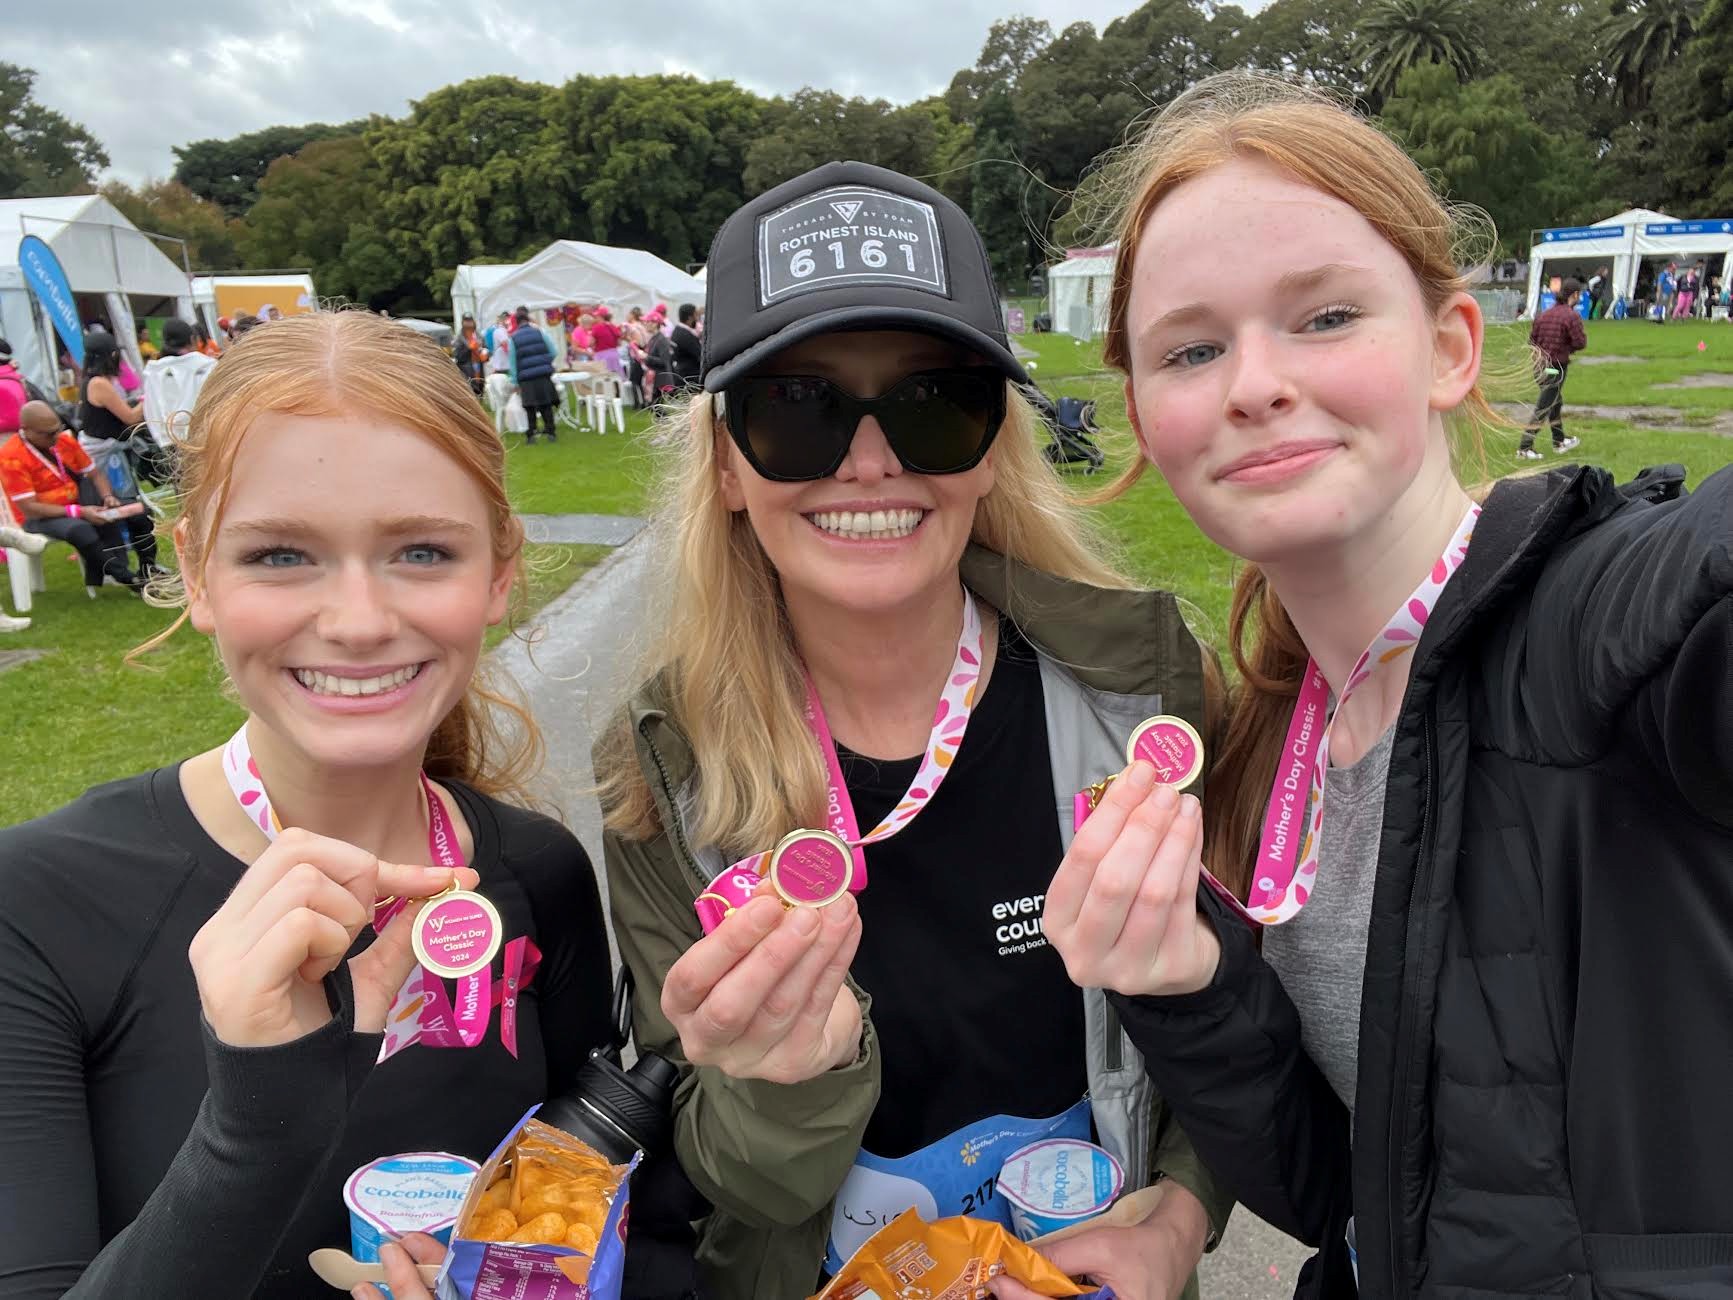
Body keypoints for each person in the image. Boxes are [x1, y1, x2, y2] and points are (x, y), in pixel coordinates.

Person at [1026, 73, 1733, 1300]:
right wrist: (1183, 987)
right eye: (1191, 347)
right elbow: (1353, 1191)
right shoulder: (1260, 746)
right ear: (1143, 415)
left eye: (1322, 316)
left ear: (1449, 348)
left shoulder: (1605, 628)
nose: (1252, 382)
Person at [593, 161, 1231, 1300]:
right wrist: (793, 1075)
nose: (871, 460)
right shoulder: (662, 763)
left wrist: (1178, 1215)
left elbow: (1232, 1014)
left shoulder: (1139, 692)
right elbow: (731, 1176)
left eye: (935, 400)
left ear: (991, 447)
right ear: (728, 464)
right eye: (797, 406)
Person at [0, 310, 613, 1297]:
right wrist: (256, 1127)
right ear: (197, 570)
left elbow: (589, 1200)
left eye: (421, 550)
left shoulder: (538, 871)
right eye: (281, 554)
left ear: (499, 570)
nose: (360, 621)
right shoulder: (35, 902)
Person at [0, 400, 149, 593]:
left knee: (138, 511)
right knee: (80, 529)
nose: (55, 436)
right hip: (39, 517)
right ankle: (128, 579)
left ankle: (148, 567)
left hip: (80, 505)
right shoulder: (11, 456)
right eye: (48, 434)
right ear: (26, 430)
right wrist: (78, 512)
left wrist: (107, 497)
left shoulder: (63, 441)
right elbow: (29, 507)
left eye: (57, 429)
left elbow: (95, 474)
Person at [1515, 275, 1588, 459]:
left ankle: (1559, 441)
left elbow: (1531, 341)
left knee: (1555, 401)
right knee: (1545, 405)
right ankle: (1525, 447)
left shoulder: (1543, 315)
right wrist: (1567, 348)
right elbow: (1580, 342)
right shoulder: (1571, 316)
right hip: (1555, 368)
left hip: (1540, 367)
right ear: (1575, 294)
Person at [141, 318, 218, 484]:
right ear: (192, 339)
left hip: (170, 442)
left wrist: (162, 437)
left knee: (185, 491)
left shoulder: (154, 372)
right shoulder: (206, 366)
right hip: (206, 438)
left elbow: (150, 409)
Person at [507, 306, 558, 443]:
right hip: (543, 374)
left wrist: (515, 381)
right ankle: (551, 432)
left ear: (516, 322)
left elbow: (512, 363)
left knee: (530, 406)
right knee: (546, 404)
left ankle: (531, 435)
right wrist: (545, 362)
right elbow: (554, 351)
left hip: (526, 377)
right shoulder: (540, 332)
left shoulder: (513, 338)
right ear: (528, 319)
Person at [670, 302, 703, 392]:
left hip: (684, 374)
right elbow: (700, 354)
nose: (698, 318)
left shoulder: (678, 331)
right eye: (696, 315)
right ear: (690, 317)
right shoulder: (684, 335)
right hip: (690, 376)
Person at [455, 313, 489, 396]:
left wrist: (486, 353)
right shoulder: (459, 338)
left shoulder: (478, 335)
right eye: (466, 321)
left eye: (470, 321)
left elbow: (485, 348)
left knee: (480, 389)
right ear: (462, 322)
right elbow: (458, 356)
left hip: (479, 366)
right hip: (466, 368)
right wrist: (468, 349)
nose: (469, 323)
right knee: (470, 390)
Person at [591, 306, 623, 376]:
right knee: (615, 377)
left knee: (603, 377)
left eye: (596, 316)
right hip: (614, 354)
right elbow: (619, 343)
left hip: (601, 355)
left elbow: (591, 342)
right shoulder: (613, 326)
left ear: (600, 317)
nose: (596, 318)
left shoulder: (596, 327)